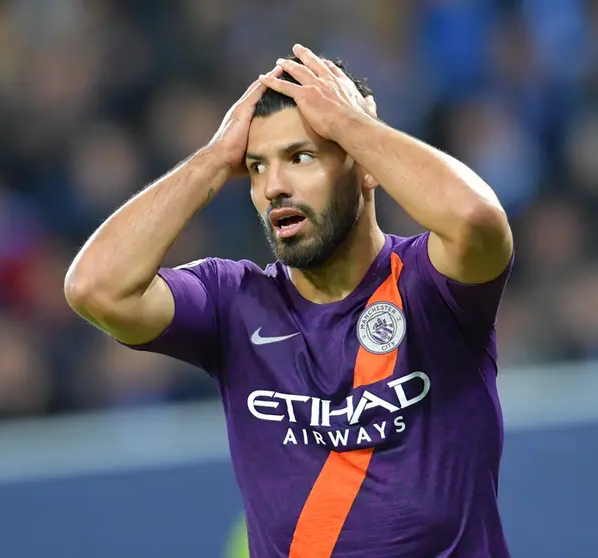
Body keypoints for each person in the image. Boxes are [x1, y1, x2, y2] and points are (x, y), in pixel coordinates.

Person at [65, 44, 513, 558]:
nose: (274, 186)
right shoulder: (231, 303)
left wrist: (354, 126)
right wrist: (212, 161)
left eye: (301, 158)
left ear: (365, 166)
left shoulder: (432, 286)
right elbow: (94, 288)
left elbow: (478, 220)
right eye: (257, 167)